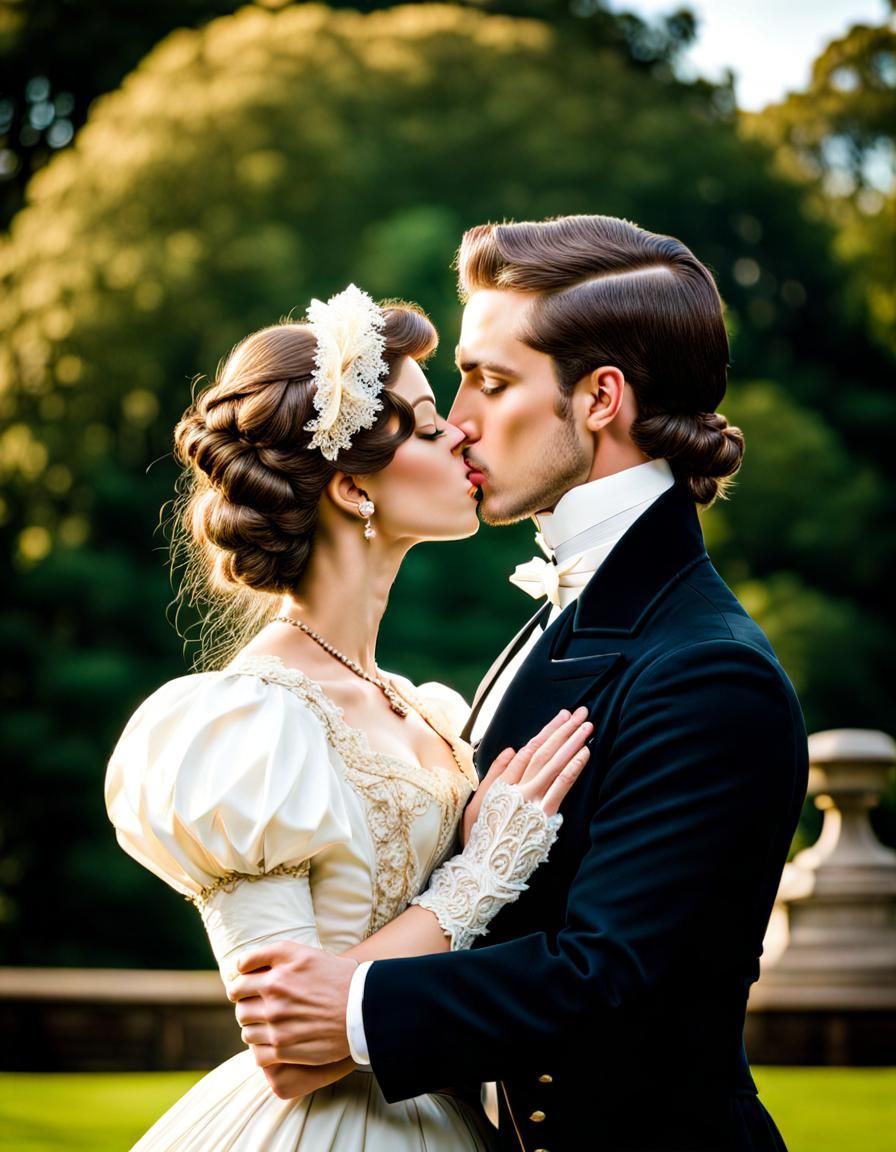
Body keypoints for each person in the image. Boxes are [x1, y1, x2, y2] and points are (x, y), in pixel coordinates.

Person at [226, 217, 810, 1152]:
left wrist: (357, 1006)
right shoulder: (567, 611)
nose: (457, 419)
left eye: (491, 383)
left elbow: (614, 979)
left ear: (600, 398)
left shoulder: (710, 670)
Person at [104, 284, 593, 1152]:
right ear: (351, 486)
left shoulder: (428, 709)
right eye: (427, 424)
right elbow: (291, 1055)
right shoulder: (246, 727)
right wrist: (480, 875)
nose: (462, 434)